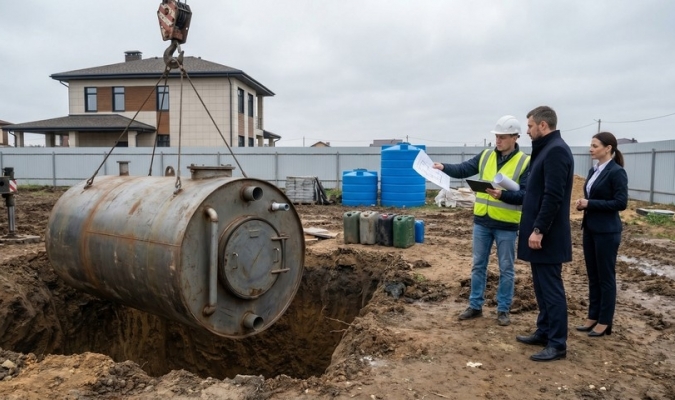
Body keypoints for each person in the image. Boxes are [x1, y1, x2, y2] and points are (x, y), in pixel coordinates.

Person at [432, 115, 530, 326]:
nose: (498, 140)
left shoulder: (524, 162)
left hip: (506, 224)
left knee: (506, 269)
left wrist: (502, 195)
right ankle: (475, 305)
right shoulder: (486, 156)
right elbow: (463, 169)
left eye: (503, 137)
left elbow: (525, 195)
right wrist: (443, 167)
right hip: (482, 222)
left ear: (515, 137)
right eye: (497, 136)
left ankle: (503, 309)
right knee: (478, 265)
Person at [515, 106, 573, 362]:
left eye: (530, 126)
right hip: (540, 234)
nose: (527, 131)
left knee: (551, 289)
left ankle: (557, 344)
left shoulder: (556, 151)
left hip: (548, 236)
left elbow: (553, 196)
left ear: (542, 125)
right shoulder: (546, 149)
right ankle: (544, 331)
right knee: (541, 287)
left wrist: (539, 229)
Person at [574, 132, 628, 337]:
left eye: (595, 146)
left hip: (607, 231)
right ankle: (593, 316)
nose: (591, 149)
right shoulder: (593, 170)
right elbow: (593, 198)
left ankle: (605, 321)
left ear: (608, 148)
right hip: (590, 229)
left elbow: (621, 203)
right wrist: (584, 205)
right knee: (593, 276)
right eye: (591, 145)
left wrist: (590, 204)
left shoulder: (616, 172)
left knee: (606, 277)